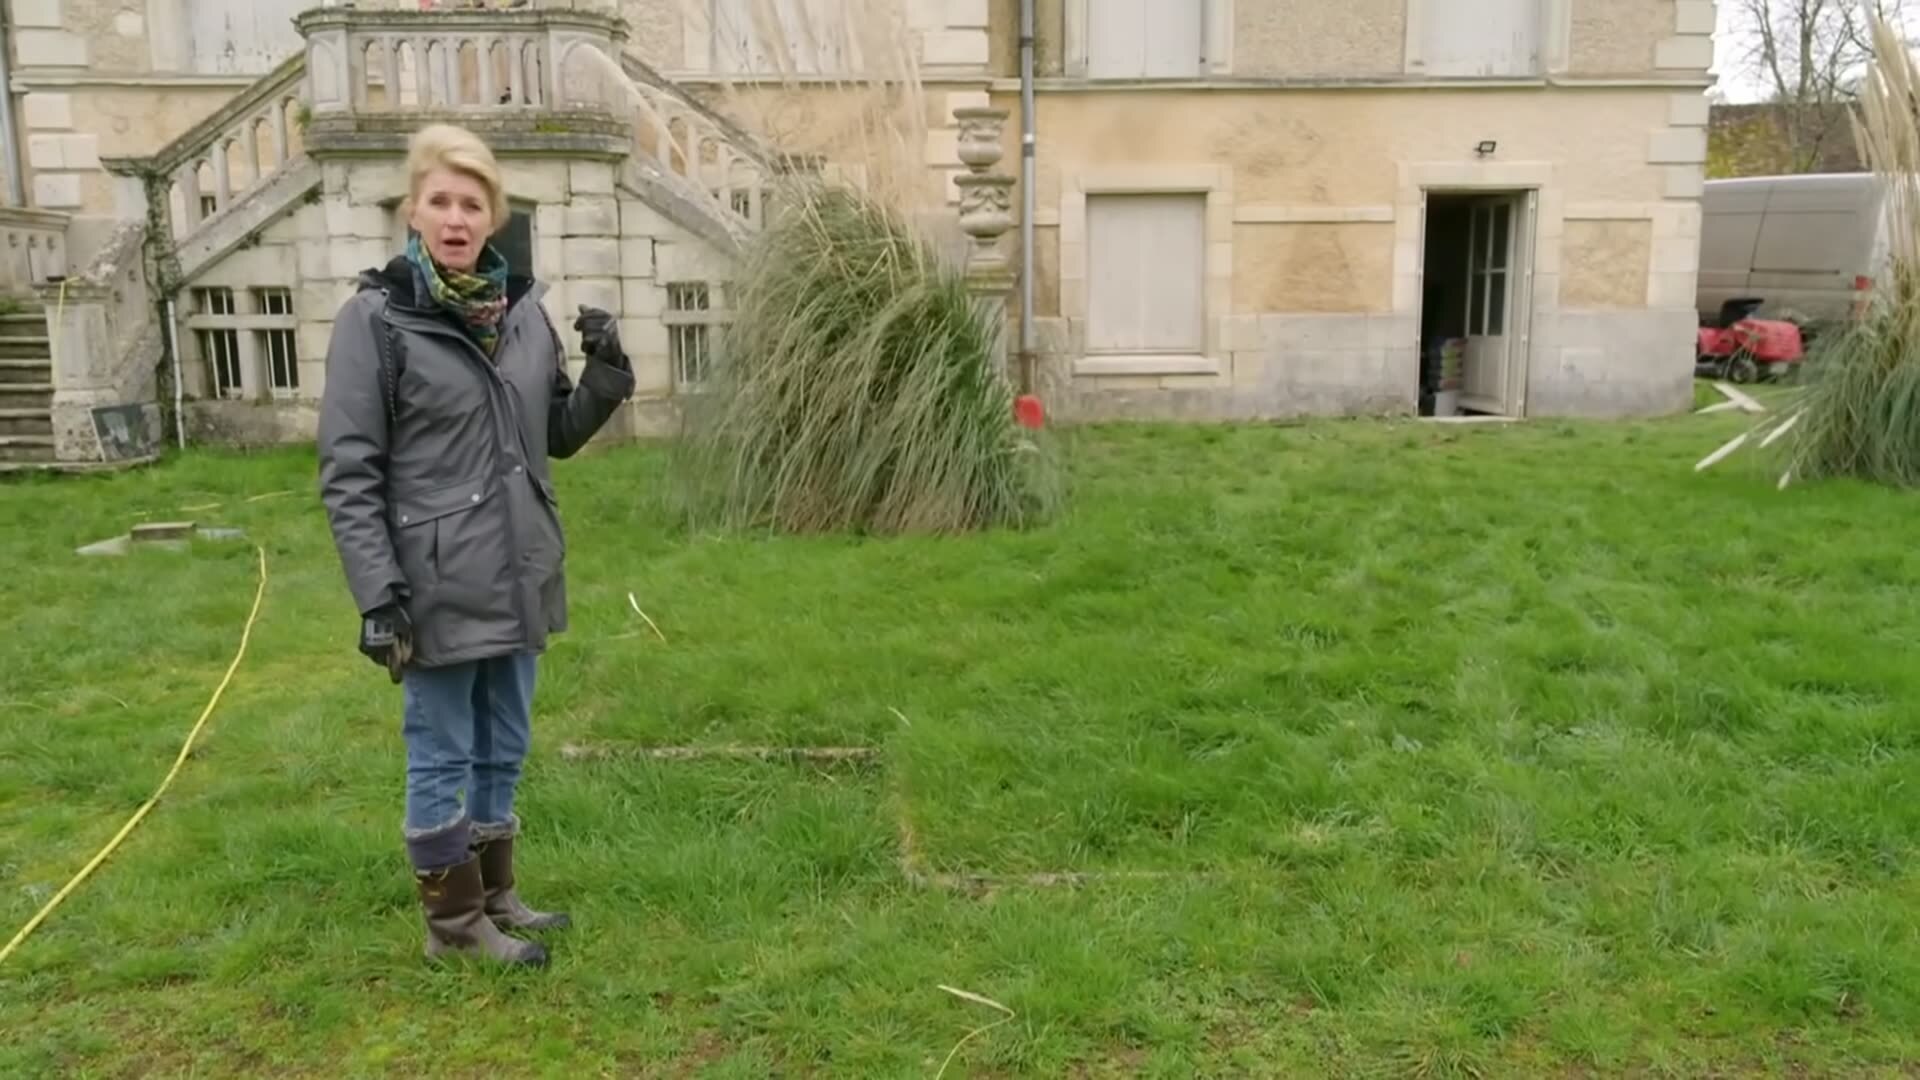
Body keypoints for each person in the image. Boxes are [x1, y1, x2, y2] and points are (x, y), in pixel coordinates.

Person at [317, 123, 635, 968]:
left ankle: (496, 898)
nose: (456, 218)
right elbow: (349, 470)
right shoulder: (377, 320)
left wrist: (607, 371)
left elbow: (553, 433)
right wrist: (378, 595)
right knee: (440, 752)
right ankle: (454, 929)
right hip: (436, 582)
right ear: (413, 211)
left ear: (494, 216)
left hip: (521, 568)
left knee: (504, 741)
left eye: (472, 203)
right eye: (440, 201)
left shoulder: (523, 314)